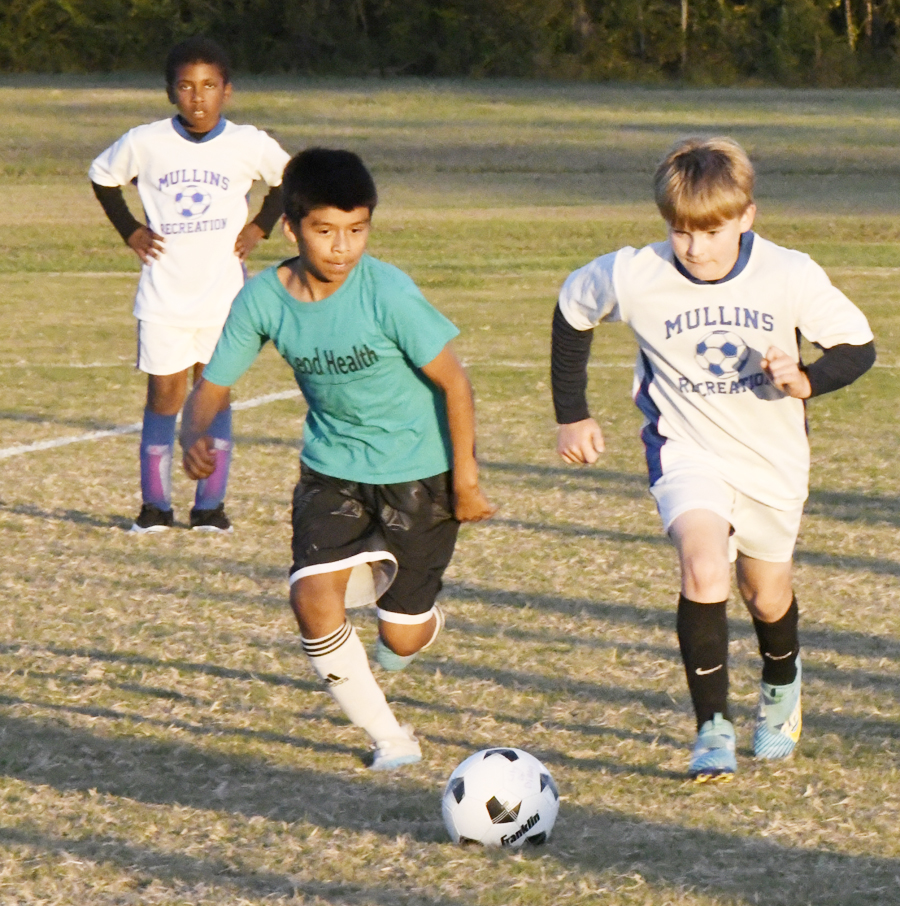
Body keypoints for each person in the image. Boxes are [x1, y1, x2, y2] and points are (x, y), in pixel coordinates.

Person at [551, 137, 875, 781]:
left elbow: (857, 346)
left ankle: (781, 685)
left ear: (746, 216)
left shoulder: (788, 273)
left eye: (712, 231)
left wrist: (806, 378)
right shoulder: (631, 272)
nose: (695, 247)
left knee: (766, 595)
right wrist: (572, 413)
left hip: (772, 460)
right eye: (680, 232)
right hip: (686, 450)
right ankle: (712, 729)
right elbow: (571, 313)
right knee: (702, 569)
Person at [180, 147, 496, 769]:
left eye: (357, 231)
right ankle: (392, 741)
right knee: (312, 598)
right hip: (333, 471)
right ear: (293, 228)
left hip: (419, 474)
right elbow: (213, 385)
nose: (343, 247)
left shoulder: (388, 292)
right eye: (326, 231)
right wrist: (196, 431)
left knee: (399, 636)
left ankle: (414, 621)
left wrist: (467, 480)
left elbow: (455, 383)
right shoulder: (263, 300)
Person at [89, 35, 291, 533]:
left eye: (208, 86)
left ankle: (209, 507)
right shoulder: (145, 141)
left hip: (223, 298)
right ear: (170, 92)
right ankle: (154, 507)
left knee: (214, 393)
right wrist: (130, 229)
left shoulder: (247, 143)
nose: (197, 97)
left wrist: (261, 224)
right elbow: (102, 175)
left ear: (227, 90)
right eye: (185, 87)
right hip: (164, 296)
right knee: (165, 396)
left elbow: (289, 178)